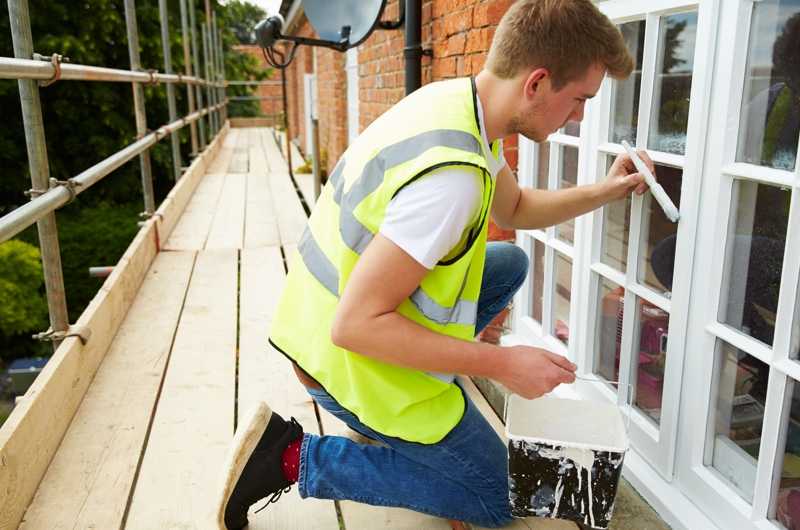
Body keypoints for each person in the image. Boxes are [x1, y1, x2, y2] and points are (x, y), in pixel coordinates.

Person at [214, 1, 654, 528]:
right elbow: (355, 326)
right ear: (537, 82)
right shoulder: (451, 182)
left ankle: (402, 411)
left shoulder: (460, 104)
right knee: (494, 499)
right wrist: (503, 365)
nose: (579, 115)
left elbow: (515, 209)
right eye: (579, 99)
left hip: (315, 321)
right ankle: (290, 456)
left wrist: (606, 190)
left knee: (507, 262)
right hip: (339, 360)